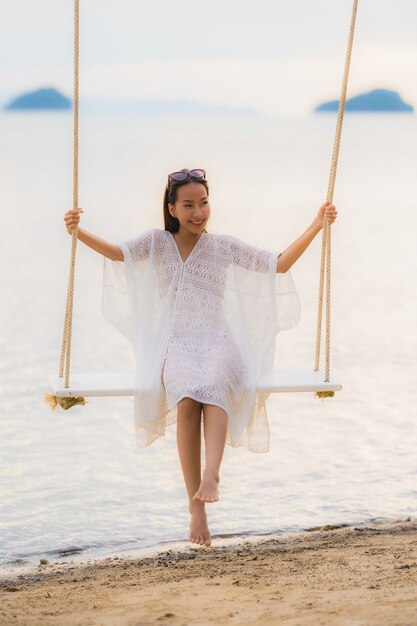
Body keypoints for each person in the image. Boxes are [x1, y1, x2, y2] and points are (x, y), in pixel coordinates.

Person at [64, 167, 338, 547]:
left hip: (218, 339)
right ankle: (196, 507)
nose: (199, 212)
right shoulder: (156, 243)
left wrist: (316, 225)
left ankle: (212, 475)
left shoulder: (222, 247)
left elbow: (279, 264)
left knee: (213, 383)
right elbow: (116, 254)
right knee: (188, 397)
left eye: (204, 203)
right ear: (172, 209)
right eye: (189, 205)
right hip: (174, 343)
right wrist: (77, 232)